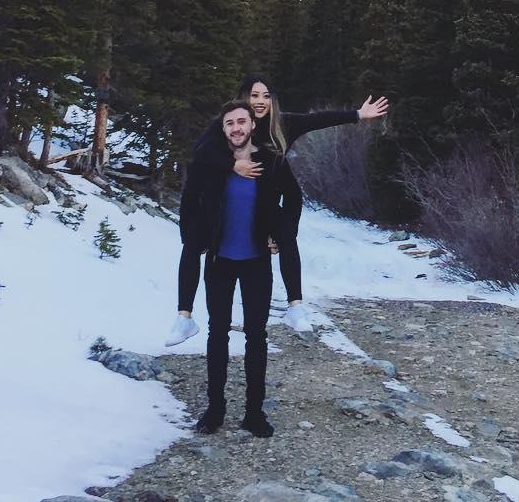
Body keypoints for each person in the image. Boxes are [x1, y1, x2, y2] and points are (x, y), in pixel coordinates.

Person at [166, 76, 387, 344]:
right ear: (243, 98)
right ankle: (184, 317)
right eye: (254, 95)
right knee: (191, 243)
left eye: (266, 95)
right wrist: (231, 165)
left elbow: (318, 120)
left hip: (268, 196)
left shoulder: (282, 124)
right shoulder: (231, 122)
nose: (260, 101)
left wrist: (357, 114)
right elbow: (201, 153)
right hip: (225, 202)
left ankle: (295, 306)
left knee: (286, 231)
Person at [178, 99, 292, 437]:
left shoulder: (269, 161)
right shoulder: (212, 162)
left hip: (257, 261)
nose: (237, 128)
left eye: (242, 121)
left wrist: (281, 237)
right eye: (230, 123)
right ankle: (215, 410)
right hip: (220, 261)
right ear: (223, 128)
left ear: (252, 124)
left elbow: (292, 200)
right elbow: (190, 199)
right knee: (218, 333)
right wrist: (191, 241)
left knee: (257, 336)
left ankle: (254, 413)